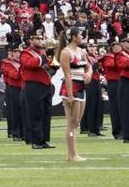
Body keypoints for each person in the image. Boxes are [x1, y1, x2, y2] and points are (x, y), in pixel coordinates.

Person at [58, 28, 89, 163]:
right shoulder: (66, 52)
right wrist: (70, 95)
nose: (82, 36)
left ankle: (73, 153)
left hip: (81, 86)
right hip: (71, 87)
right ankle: (72, 154)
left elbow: (89, 66)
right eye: (80, 34)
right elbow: (67, 74)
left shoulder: (81, 51)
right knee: (71, 122)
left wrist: (89, 74)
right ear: (74, 37)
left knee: (76, 122)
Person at [20, 31, 54, 149]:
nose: (40, 40)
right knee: (35, 113)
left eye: (41, 38)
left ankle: (44, 139)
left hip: (46, 85)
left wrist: (55, 58)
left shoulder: (43, 53)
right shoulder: (25, 53)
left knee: (46, 113)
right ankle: (35, 140)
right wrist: (44, 56)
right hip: (33, 85)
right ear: (31, 40)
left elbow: (51, 69)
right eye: (37, 39)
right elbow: (31, 64)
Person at [0, 44, 23, 140]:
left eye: (19, 52)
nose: (18, 54)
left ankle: (22, 132)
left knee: (23, 111)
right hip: (13, 88)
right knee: (14, 111)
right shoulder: (7, 63)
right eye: (16, 52)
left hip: (23, 88)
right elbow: (14, 76)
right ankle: (14, 132)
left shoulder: (21, 63)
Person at [81, 45, 104, 137]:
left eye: (94, 46)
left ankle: (96, 128)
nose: (92, 48)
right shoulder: (85, 57)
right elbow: (85, 69)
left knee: (98, 105)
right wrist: (94, 67)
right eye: (90, 46)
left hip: (97, 80)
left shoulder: (94, 57)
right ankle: (90, 129)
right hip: (90, 81)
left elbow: (100, 70)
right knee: (91, 105)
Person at [104, 40, 123, 138]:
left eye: (118, 46)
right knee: (115, 107)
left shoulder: (121, 56)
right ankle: (117, 131)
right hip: (113, 83)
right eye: (115, 46)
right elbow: (112, 65)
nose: (117, 48)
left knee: (122, 108)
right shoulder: (108, 56)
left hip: (121, 82)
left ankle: (123, 130)